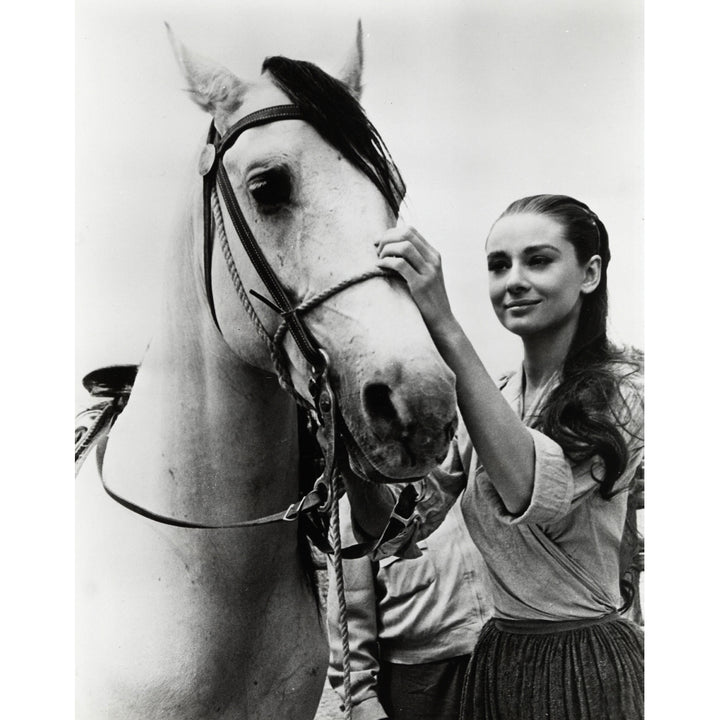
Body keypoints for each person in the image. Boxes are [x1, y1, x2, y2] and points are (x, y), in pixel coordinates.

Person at [343, 194, 644, 719]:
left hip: (582, 666)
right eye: (498, 265)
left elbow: (529, 489)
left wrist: (443, 323)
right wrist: (353, 448)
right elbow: (397, 530)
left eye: (539, 260)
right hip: (498, 661)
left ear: (590, 273)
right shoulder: (497, 397)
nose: (514, 281)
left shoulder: (628, 391)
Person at [326, 494, 492, 720]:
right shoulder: (361, 503)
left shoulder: (466, 477)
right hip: (420, 680)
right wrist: (361, 698)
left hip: (496, 663)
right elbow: (350, 607)